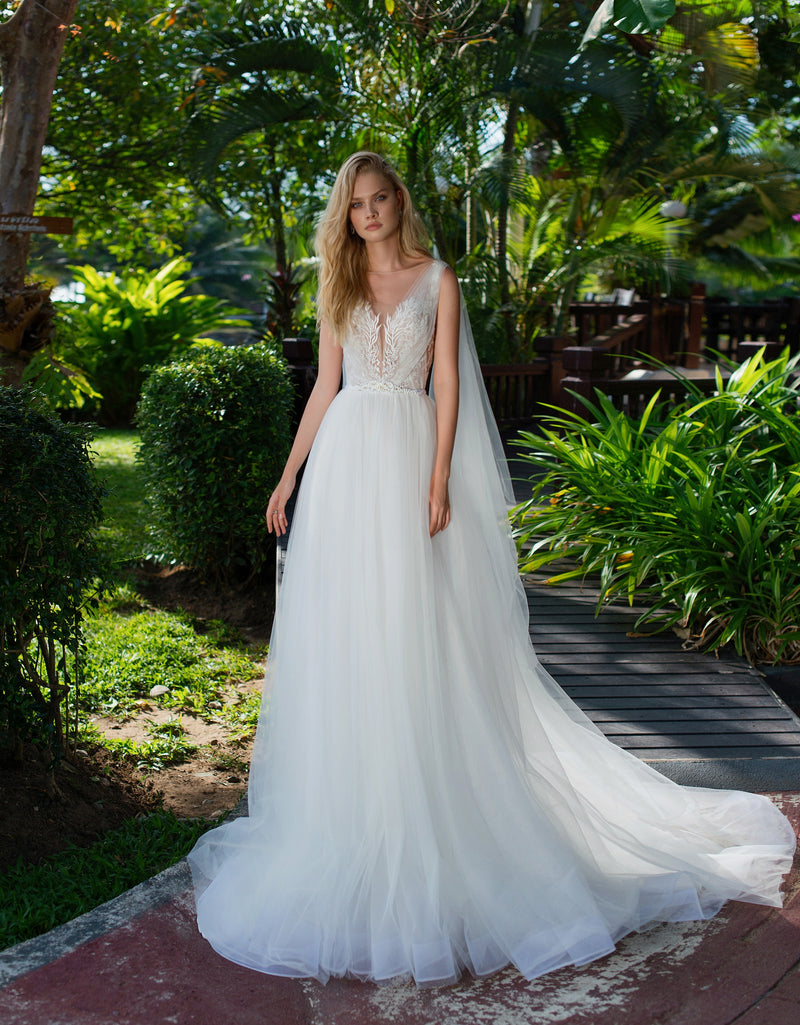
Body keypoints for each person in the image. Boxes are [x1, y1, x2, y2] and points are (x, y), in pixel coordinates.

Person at [188, 151, 795, 988]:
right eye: (355, 204)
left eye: (379, 198)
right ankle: (359, 811)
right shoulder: (338, 282)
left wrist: (438, 483)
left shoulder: (439, 279)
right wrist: (290, 473)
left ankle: (435, 808)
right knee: (352, 637)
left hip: (406, 462)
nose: (368, 213)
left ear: (400, 201)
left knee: (417, 632)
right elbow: (324, 388)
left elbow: (447, 385)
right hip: (345, 474)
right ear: (347, 213)